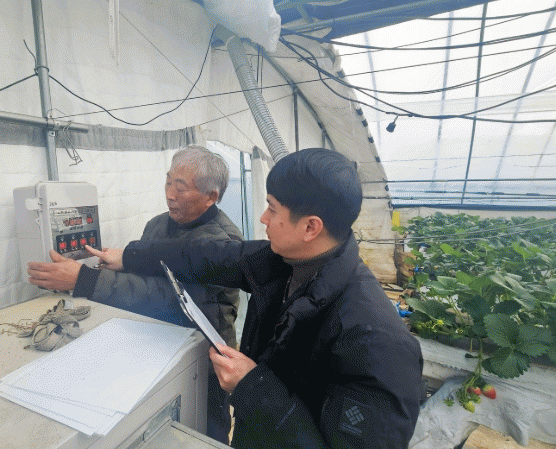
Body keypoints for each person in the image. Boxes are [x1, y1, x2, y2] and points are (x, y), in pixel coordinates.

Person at [89, 148, 424, 448]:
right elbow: (203, 256)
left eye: (272, 209)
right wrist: (128, 257)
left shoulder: (375, 342)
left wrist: (252, 386)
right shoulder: (283, 261)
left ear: (310, 227)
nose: (263, 218)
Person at [27, 145, 243, 444]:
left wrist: (86, 280)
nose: (170, 194)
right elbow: (145, 281)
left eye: (181, 188)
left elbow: (175, 299)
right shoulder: (157, 225)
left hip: (204, 358)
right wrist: (119, 267)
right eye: (168, 181)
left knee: (205, 429)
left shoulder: (223, 243)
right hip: (154, 346)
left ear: (211, 197)